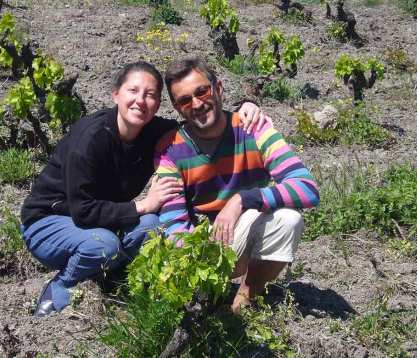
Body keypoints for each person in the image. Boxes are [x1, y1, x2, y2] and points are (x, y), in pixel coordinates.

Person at [20, 61, 269, 317]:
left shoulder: (153, 133)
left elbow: (201, 121)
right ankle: (63, 285)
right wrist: (143, 204)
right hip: (49, 222)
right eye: (133, 91)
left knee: (153, 225)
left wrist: (243, 110)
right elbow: (82, 211)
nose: (140, 100)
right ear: (116, 94)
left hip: (99, 221)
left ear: (158, 104)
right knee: (104, 245)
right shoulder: (90, 140)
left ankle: (110, 278)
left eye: (150, 95)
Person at [154, 58, 320, 313]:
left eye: (202, 91)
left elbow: (306, 188)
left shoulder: (254, 128)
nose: (197, 104)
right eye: (185, 100)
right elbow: (174, 224)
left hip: (243, 232)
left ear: (218, 88)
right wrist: (196, 270)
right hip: (202, 244)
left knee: (288, 220)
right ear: (178, 108)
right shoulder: (170, 148)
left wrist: (242, 200)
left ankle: (245, 298)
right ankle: (209, 296)